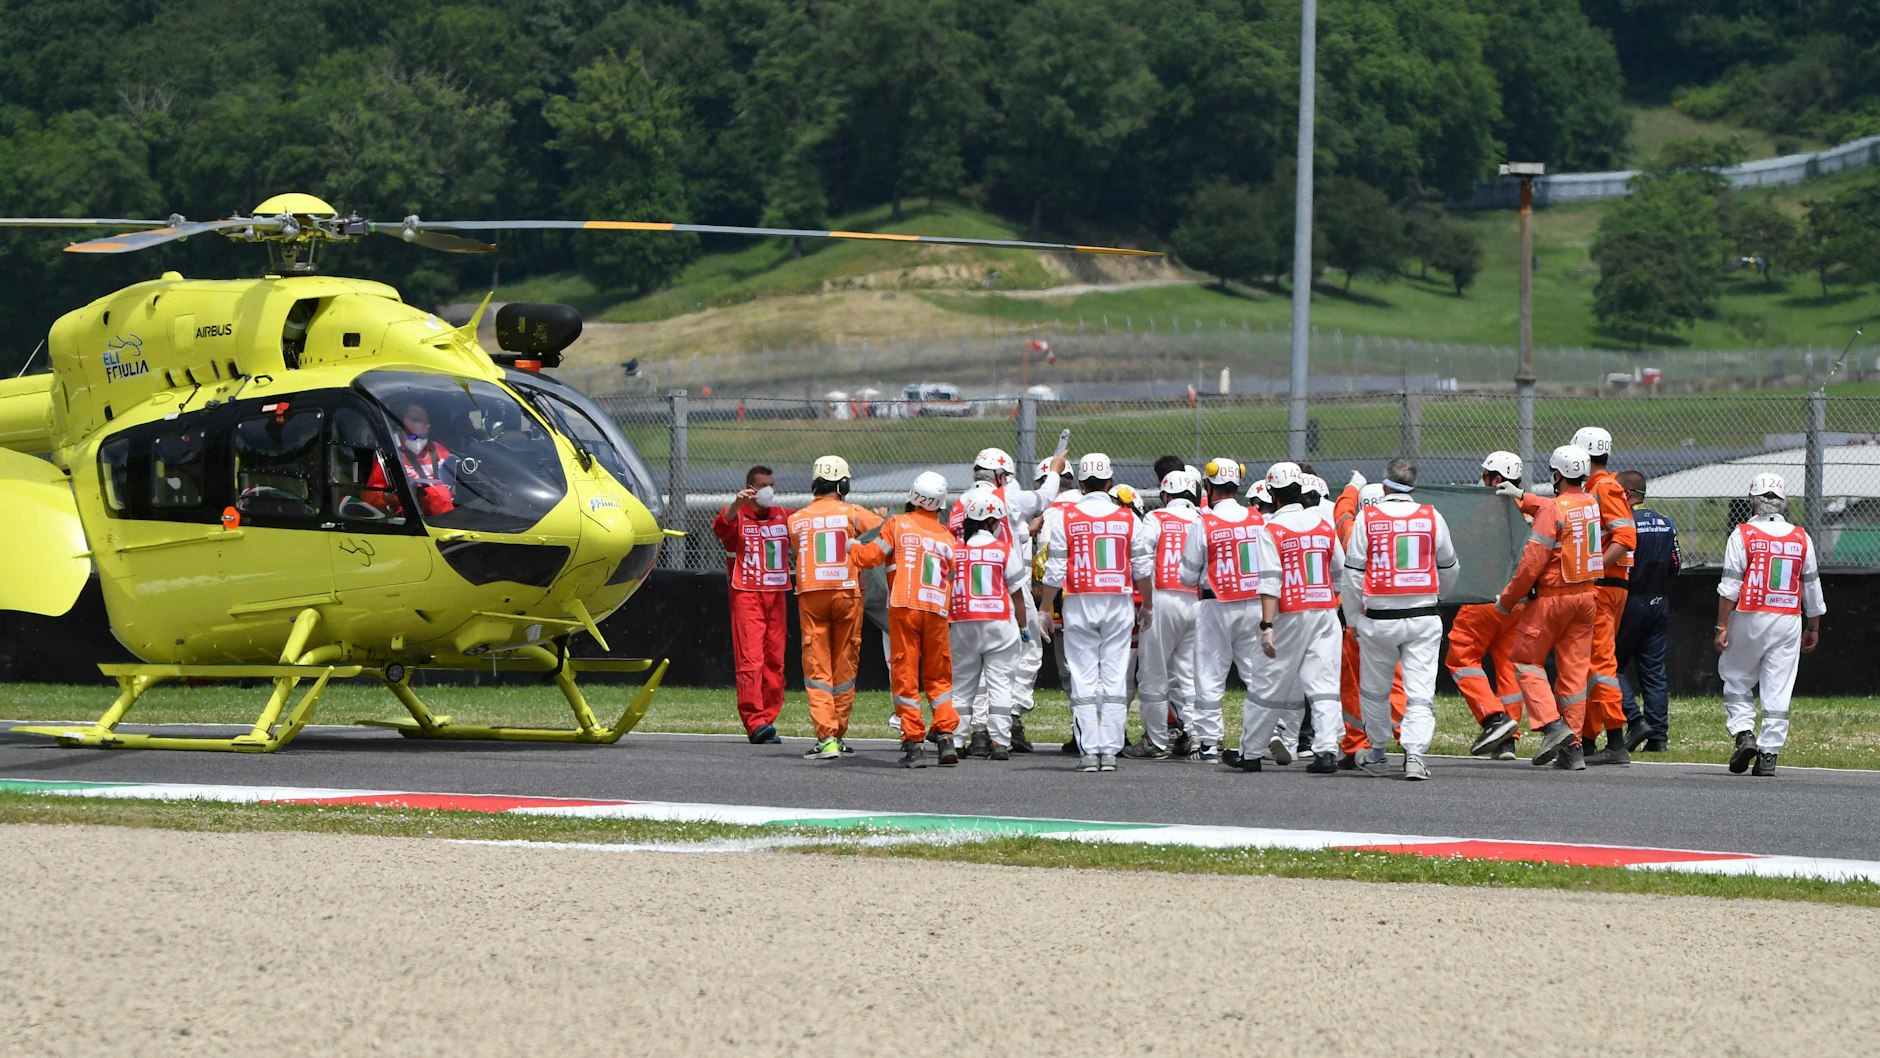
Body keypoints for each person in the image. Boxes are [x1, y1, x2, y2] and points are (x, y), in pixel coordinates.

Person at [1342, 458, 1458, 779]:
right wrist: (1438, 596)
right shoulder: (1432, 516)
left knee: (1375, 690)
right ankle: (1415, 757)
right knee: (1419, 692)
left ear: (1384, 486)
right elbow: (1450, 567)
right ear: (1415, 487)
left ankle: (1378, 754)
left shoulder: (1367, 518)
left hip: (1379, 619)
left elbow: (1352, 574)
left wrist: (1353, 618)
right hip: (1423, 617)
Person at [1227, 462, 1342, 774]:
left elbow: (1269, 581)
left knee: (1266, 684)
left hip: (1287, 615)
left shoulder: (1271, 530)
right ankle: (1327, 750)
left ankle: (1250, 754)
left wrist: (1266, 626)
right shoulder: (1323, 525)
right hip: (1325, 611)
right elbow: (1339, 572)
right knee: (1324, 684)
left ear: (1273, 494)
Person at [1040, 453, 1152, 772]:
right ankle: (1110, 751)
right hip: (1118, 602)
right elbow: (1143, 568)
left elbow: (1055, 568)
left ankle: (1089, 750)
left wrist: (1044, 609)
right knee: (1116, 677)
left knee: (1083, 677)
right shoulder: (1129, 518)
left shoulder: (1067, 517)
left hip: (1079, 601)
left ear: (1081, 483)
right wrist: (1148, 604)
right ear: (1110, 482)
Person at [1494, 445, 1602, 771]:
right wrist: (1522, 495)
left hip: (1552, 599)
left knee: (1526, 661)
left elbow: (1530, 565)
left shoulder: (1553, 511)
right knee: (1573, 677)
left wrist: (1507, 600)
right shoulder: (1591, 503)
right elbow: (1553, 507)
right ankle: (1574, 750)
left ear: (1556, 474)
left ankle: (1554, 728)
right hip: (1586, 599)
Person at [1715, 473, 1824, 777]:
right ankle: (1769, 755)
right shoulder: (1801, 537)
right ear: (1782, 501)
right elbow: (1812, 586)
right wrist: (1813, 626)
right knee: (1779, 686)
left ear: (1752, 500)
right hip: (1788, 619)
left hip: (1750, 615)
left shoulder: (1743, 534)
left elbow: (1729, 587)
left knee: (1736, 677)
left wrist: (1721, 627)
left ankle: (1743, 733)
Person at [854, 471, 960, 768]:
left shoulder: (897, 525)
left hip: (904, 607)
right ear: (940, 504)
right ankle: (946, 735)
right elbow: (952, 576)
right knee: (939, 676)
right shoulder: (948, 537)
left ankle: (914, 741)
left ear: (912, 497)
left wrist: (851, 548)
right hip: (937, 610)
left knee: (905, 674)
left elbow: (871, 557)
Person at [785, 455, 884, 762]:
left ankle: (826, 737)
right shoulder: (853, 513)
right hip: (846, 594)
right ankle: (837, 733)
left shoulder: (796, 519)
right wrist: (881, 516)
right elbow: (883, 530)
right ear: (843, 484)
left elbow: (796, 545)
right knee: (844, 668)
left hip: (811, 595)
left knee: (817, 669)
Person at [1179, 457, 1274, 765]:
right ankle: (1269, 733)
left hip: (1215, 604)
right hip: (1254, 603)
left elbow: (1187, 574)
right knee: (1255, 672)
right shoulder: (1257, 518)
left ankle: (1208, 744)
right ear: (1237, 486)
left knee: (1209, 672)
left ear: (1209, 486)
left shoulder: (1203, 521)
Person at [1452, 451, 1539, 760]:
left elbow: (1460, 544)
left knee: (1460, 658)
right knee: (1507, 667)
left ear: (1497, 479)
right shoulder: (1528, 514)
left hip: (1484, 599)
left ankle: (1494, 718)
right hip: (1519, 603)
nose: (1482, 480)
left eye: (1486, 475)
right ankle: (1508, 741)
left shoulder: (1485, 512)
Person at [710, 466, 793, 744]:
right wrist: (737, 503)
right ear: (750, 488)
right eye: (762, 485)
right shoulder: (738, 515)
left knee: (775, 661)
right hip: (747, 594)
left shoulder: (783, 515)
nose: (768, 490)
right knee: (751, 660)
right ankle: (754, 720)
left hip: (776, 596)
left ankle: (768, 719)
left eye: (772, 484)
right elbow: (720, 528)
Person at [1123, 468, 1204, 759]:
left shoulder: (1156, 518)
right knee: (1187, 674)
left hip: (1163, 597)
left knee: (1152, 673)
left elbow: (1141, 559)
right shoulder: (1202, 518)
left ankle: (1156, 741)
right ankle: (1198, 734)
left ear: (1165, 495)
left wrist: (1147, 602)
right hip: (1198, 601)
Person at [1572, 426, 1638, 765]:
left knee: (1599, 663)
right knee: (1590, 666)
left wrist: (1594, 569)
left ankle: (1615, 740)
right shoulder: (1598, 487)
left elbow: (1625, 537)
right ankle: (1587, 739)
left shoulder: (1605, 487)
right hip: (1608, 586)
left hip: (1605, 586)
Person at [949, 490, 1031, 759]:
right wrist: (1023, 627)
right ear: (993, 522)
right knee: (1000, 686)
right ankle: (999, 742)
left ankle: (958, 740)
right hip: (999, 626)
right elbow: (1017, 593)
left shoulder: (956, 551)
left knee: (961, 687)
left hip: (962, 625)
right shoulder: (1003, 550)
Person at [1332, 476, 1406, 767]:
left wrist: (1351, 486)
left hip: (1357, 622)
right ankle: (1407, 737)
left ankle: (1354, 744)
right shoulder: (1401, 533)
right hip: (1392, 617)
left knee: (1353, 686)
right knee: (1396, 681)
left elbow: (1342, 513)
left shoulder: (1354, 531)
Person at [1616, 470, 1680, 753]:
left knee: (1607, 664)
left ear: (1627, 495)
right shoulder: (1667, 522)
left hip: (1628, 603)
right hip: (1659, 602)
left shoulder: (1624, 523)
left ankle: (1634, 719)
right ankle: (1659, 738)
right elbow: (1675, 566)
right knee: (1654, 672)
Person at [364, 402, 457, 516]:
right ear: (400, 431)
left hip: (447, 516)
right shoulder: (390, 456)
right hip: (411, 518)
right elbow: (369, 496)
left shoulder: (439, 451)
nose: (417, 441)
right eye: (412, 437)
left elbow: (458, 482)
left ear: (428, 428)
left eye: (422, 437)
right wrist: (394, 493)